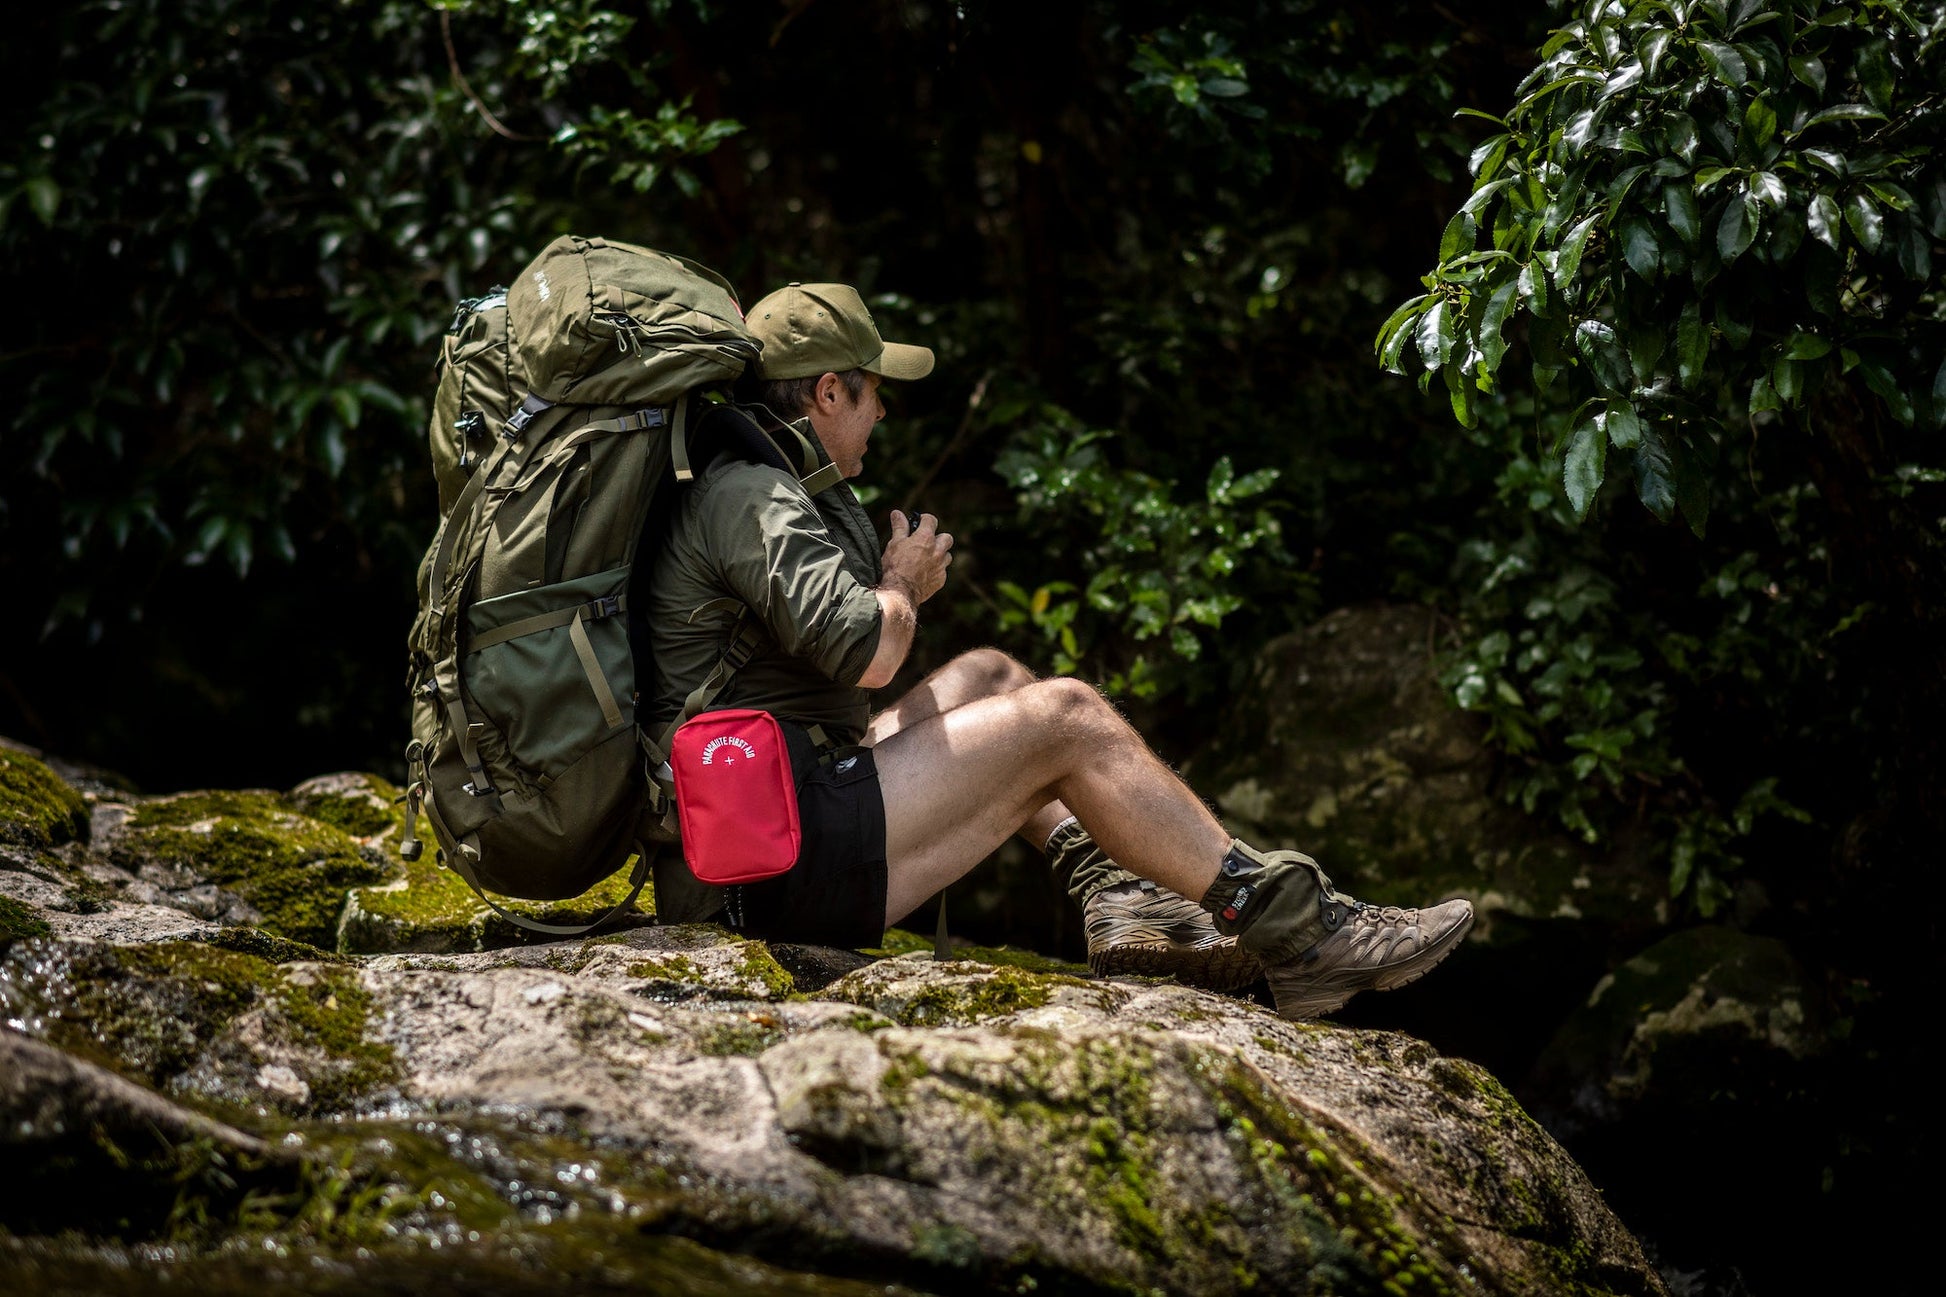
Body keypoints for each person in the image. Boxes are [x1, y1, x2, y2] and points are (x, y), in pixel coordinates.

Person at [647, 281, 1472, 1019]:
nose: (884, 413)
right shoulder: (750, 494)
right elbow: (871, 655)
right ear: (828, 391)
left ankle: (1121, 900)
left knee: (994, 673)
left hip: (774, 802)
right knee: (1067, 715)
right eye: (873, 393)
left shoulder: (756, 478)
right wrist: (900, 582)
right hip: (762, 867)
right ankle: (1303, 932)